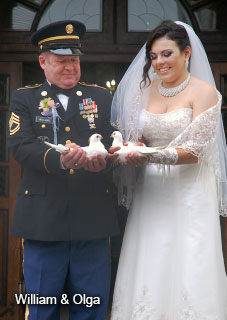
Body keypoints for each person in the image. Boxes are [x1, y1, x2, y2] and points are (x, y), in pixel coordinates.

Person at [110, 20, 227, 319]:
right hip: (152, 190)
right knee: (151, 255)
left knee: (189, 258)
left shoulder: (205, 93)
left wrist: (149, 157)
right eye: (154, 56)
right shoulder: (144, 91)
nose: (158, 62)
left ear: (186, 53)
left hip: (191, 192)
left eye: (166, 54)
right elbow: (137, 137)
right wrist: (129, 149)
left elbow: (195, 151)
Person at [7, 20, 119, 320]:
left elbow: (111, 140)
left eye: (74, 59)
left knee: (92, 306)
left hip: (92, 216)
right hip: (43, 220)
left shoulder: (100, 97)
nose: (70, 66)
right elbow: (21, 145)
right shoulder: (25, 98)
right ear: (43, 61)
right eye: (61, 60)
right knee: (43, 308)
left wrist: (104, 158)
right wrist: (59, 160)